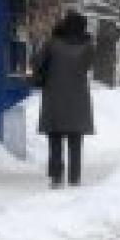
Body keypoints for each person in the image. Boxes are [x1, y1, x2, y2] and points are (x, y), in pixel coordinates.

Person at [33, 11, 95, 189]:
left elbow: (38, 64)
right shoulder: (88, 46)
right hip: (78, 99)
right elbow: (87, 65)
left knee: (55, 139)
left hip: (54, 97)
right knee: (76, 141)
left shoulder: (52, 44)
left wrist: (39, 80)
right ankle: (75, 177)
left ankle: (56, 178)